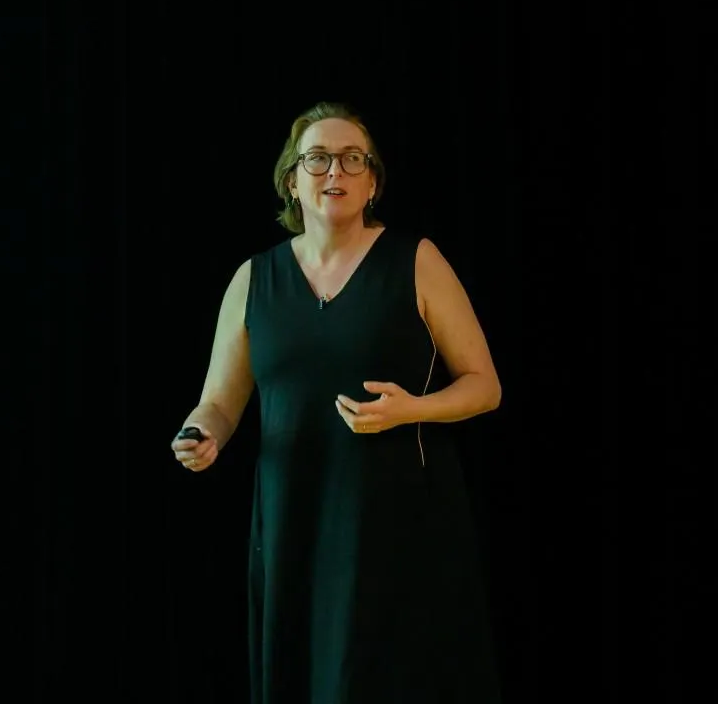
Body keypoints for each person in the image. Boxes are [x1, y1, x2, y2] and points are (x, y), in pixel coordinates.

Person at [175, 101, 501, 702]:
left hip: (395, 517)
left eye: (354, 160)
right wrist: (202, 433)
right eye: (318, 159)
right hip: (293, 519)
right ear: (292, 181)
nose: (336, 172)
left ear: (372, 181)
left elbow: (485, 385)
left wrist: (411, 409)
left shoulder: (416, 262)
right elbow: (218, 403)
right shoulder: (255, 279)